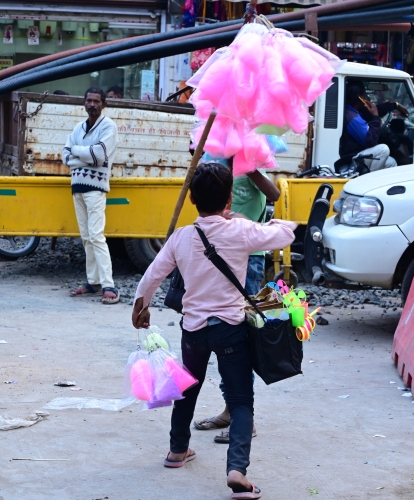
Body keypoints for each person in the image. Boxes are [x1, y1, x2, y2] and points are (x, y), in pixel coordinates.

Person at [132, 162, 296, 498]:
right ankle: (237, 470)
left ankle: (177, 451)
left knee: (187, 388)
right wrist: (239, 219)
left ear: (192, 199)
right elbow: (285, 232)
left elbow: (152, 275)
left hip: (193, 330)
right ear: (229, 199)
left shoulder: (182, 237)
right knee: (240, 400)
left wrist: (141, 306)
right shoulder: (239, 231)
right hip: (230, 330)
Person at [193, 160, 280, 444]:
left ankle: (244, 418)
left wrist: (252, 169)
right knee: (224, 338)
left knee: (241, 339)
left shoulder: (250, 166)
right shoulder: (215, 167)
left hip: (248, 260)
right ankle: (231, 409)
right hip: (219, 259)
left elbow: (274, 194)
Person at [64, 87, 120, 304]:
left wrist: (76, 151)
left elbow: (98, 156)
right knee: (87, 238)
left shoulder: (108, 126)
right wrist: (83, 154)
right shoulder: (78, 127)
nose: (92, 104)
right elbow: (65, 157)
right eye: (89, 100)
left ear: (103, 104)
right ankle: (93, 282)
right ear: (84, 102)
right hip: (77, 186)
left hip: (96, 189)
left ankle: (109, 285)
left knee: (96, 236)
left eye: (97, 101)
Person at [337, 81, 408, 171]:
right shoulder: (352, 118)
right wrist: (375, 118)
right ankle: (369, 179)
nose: (366, 97)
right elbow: (371, 142)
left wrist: (395, 105)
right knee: (383, 149)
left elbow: (376, 109)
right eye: (364, 94)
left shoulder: (355, 110)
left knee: (391, 162)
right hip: (352, 157)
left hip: (359, 152)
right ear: (360, 97)